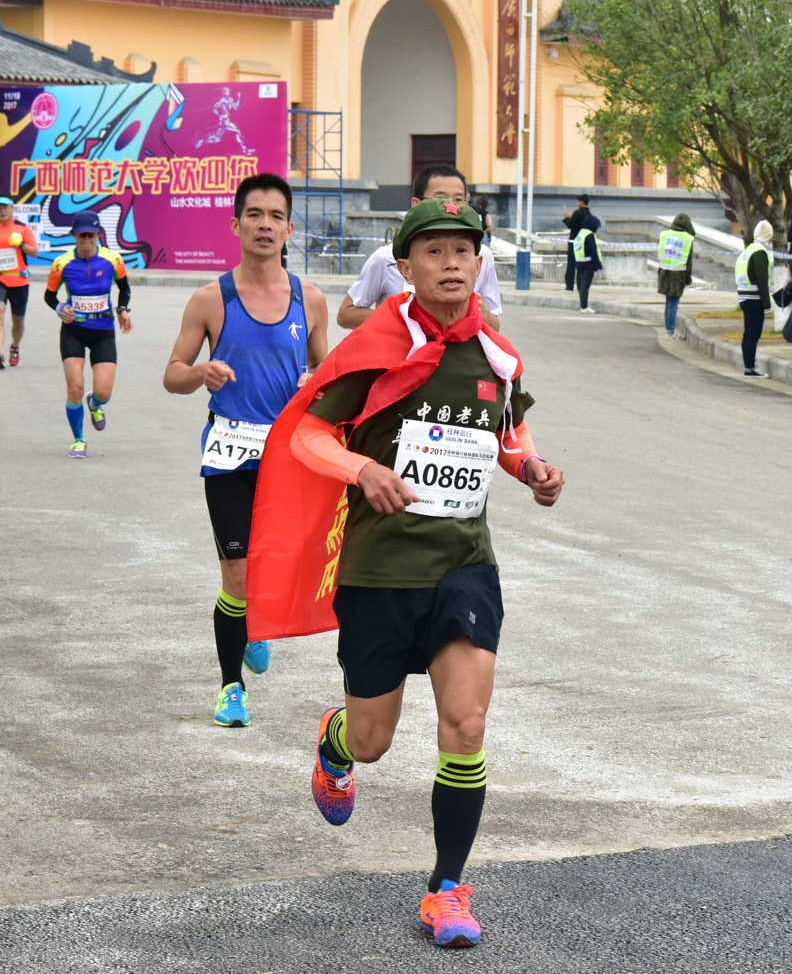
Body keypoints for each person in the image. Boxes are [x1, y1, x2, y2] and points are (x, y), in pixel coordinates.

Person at [248, 198, 564, 949]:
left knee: (467, 724)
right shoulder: (380, 344)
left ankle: (447, 887)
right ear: (406, 265)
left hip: (464, 565)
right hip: (381, 568)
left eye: (465, 250)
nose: (452, 263)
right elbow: (309, 435)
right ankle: (335, 743)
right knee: (374, 739)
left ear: (479, 263)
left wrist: (533, 468)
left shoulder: (496, 353)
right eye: (434, 252)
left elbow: (505, 435)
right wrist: (361, 468)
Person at [162, 173, 331, 728]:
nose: (265, 224)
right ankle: (231, 687)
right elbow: (172, 375)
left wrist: (319, 391)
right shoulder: (210, 299)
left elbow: (326, 379)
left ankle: (256, 620)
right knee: (236, 572)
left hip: (290, 457)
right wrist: (200, 373)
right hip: (231, 451)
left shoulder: (310, 299)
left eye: (276, 216)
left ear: (288, 227)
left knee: (281, 565)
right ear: (235, 224)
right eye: (254, 214)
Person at [338, 165, 502, 331]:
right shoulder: (385, 258)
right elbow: (345, 315)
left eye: (459, 200)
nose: (450, 208)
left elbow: (494, 326)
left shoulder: (482, 256)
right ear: (406, 270)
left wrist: (480, 312)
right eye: (440, 199)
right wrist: (400, 317)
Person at [45, 212, 133, 457]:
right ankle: (79, 439)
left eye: (91, 233)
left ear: (97, 234)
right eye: (82, 233)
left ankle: (94, 403)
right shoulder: (61, 264)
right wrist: (61, 308)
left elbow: (124, 288)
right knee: (75, 387)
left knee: (104, 392)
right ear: (74, 234)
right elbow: (49, 296)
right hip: (74, 331)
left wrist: (122, 310)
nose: (86, 237)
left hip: (103, 331)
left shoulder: (112, 259)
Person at [0, 195, 40, 369]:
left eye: (5, 207)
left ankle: (15, 347)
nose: (2, 211)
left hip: (19, 280)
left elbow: (34, 252)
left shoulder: (23, 228)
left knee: (18, 320)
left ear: (12, 209)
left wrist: (22, 244)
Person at [734, 219, 773, 376]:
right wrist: (767, 305)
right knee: (753, 334)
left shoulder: (748, 250)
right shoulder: (760, 253)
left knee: (748, 333)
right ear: (767, 236)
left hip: (744, 296)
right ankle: (750, 368)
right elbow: (762, 281)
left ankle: (748, 365)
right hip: (755, 298)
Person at [656, 213, 696, 337]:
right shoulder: (687, 238)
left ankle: (669, 329)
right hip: (678, 274)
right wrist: (688, 279)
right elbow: (688, 262)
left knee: (668, 302)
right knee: (673, 303)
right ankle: (671, 331)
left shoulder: (665, 234)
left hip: (664, 272)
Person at [570, 210, 602, 312]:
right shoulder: (589, 235)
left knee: (581, 285)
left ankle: (582, 305)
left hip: (579, 262)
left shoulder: (580, 234)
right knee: (585, 286)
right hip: (588, 264)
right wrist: (598, 265)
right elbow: (593, 250)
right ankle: (584, 307)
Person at [561, 195, 593, 295]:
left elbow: (571, 225)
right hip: (584, 242)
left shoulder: (577, 213)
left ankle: (569, 286)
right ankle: (581, 287)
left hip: (574, 241)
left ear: (581, 202)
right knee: (581, 265)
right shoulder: (589, 214)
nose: (577, 203)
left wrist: (567, 218)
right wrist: (571, 217)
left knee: (571, 264)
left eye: (578, 201)